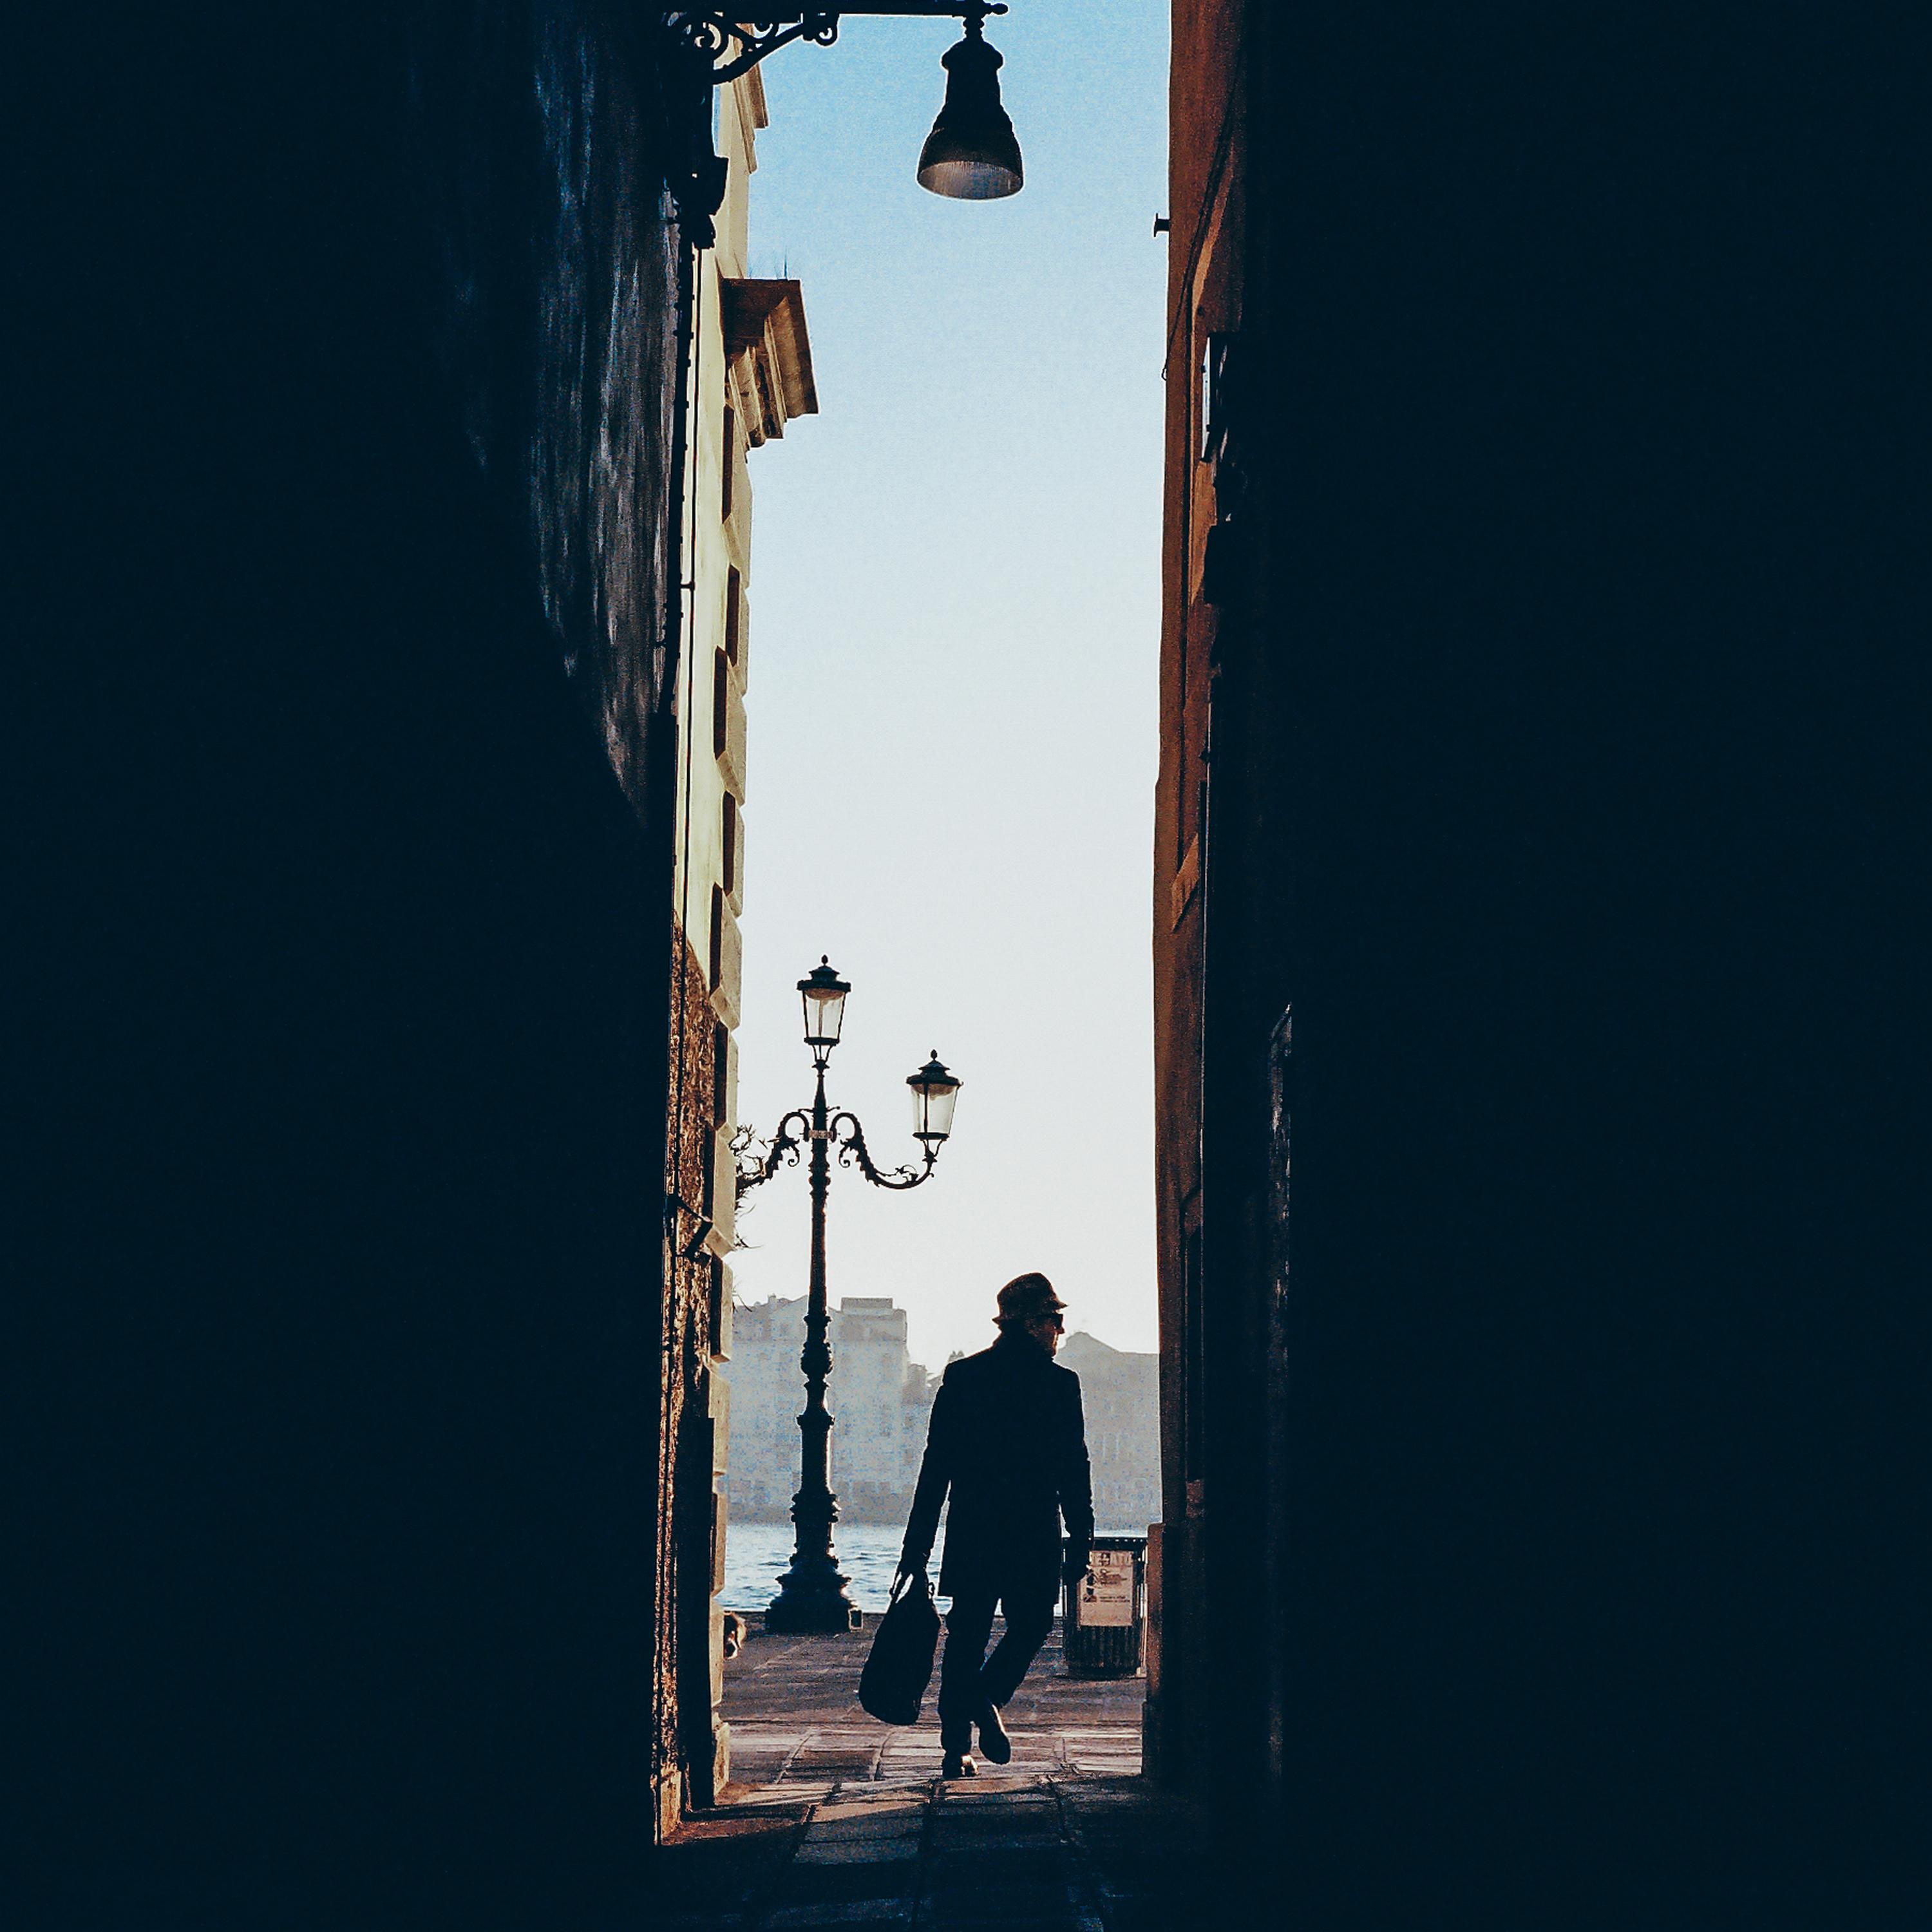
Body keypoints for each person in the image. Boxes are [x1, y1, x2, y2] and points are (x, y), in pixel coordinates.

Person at [898, 1272, 1095, 1778]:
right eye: (1055, 1321)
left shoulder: (963, 1379)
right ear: (1031, 1323)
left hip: (973, 1529)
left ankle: (955, 1747)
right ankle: (985, 1697)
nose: (1060, 1331)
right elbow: (1074, 1466)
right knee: (1031, 1627)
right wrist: (1081, 1537)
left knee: (967, 1634)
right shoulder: (1059, 1384)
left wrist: (915, 1549)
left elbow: (935, 1468)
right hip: (1033, 1531)